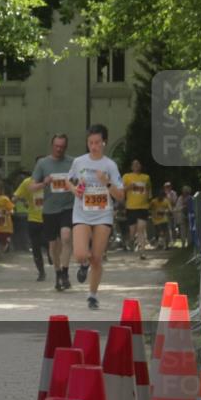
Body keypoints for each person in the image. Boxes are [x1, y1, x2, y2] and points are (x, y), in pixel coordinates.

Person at [69, 124, 125, 310]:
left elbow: (120, 195)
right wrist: (75, 189)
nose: (94, 146)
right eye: (91, 142)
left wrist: (107, 182)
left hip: (103, 214)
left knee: (97, 258)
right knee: (80, 254)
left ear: (104, 143)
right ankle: (82, 265)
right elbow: (69, 182)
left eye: (97, 142)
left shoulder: (110, 165)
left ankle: (92, 295)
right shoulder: (79, 162)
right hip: (82, 212)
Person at [31, 134, 75, 291]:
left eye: (62, 147)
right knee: (53, 245)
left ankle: (65, 271)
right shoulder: (43, 164)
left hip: (68, 207)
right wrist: (44, 183)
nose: (59, 149)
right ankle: (57, 273)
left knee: (66, 236)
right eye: (57, 146)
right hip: (49, 209)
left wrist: (76, 186)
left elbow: (81, 182)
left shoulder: (72, 163)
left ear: (66, 147)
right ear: (52, 146)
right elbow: (31, 187)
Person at [14, 160, 48, 281]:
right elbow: (16, 196)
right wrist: (18, 201)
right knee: (36, 247)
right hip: (33, 218)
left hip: (49, 217)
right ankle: (41, 272)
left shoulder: (51, 181)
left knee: (49, 242)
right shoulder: (27, 182)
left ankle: (51, 254)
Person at [122, 159, 151, 259]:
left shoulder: (146, 177)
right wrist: (128, 187)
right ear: (131, 167)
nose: (136, 165)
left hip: (143, 207)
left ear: (140, 166)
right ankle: (130, 240)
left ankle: (142, 252)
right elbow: (120, 189)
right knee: (132, 231)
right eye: (134, 164)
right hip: (131, 207)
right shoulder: (127, 176)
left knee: (141, 230)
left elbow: (148, 191)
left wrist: (148, 201)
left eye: (138, 164)